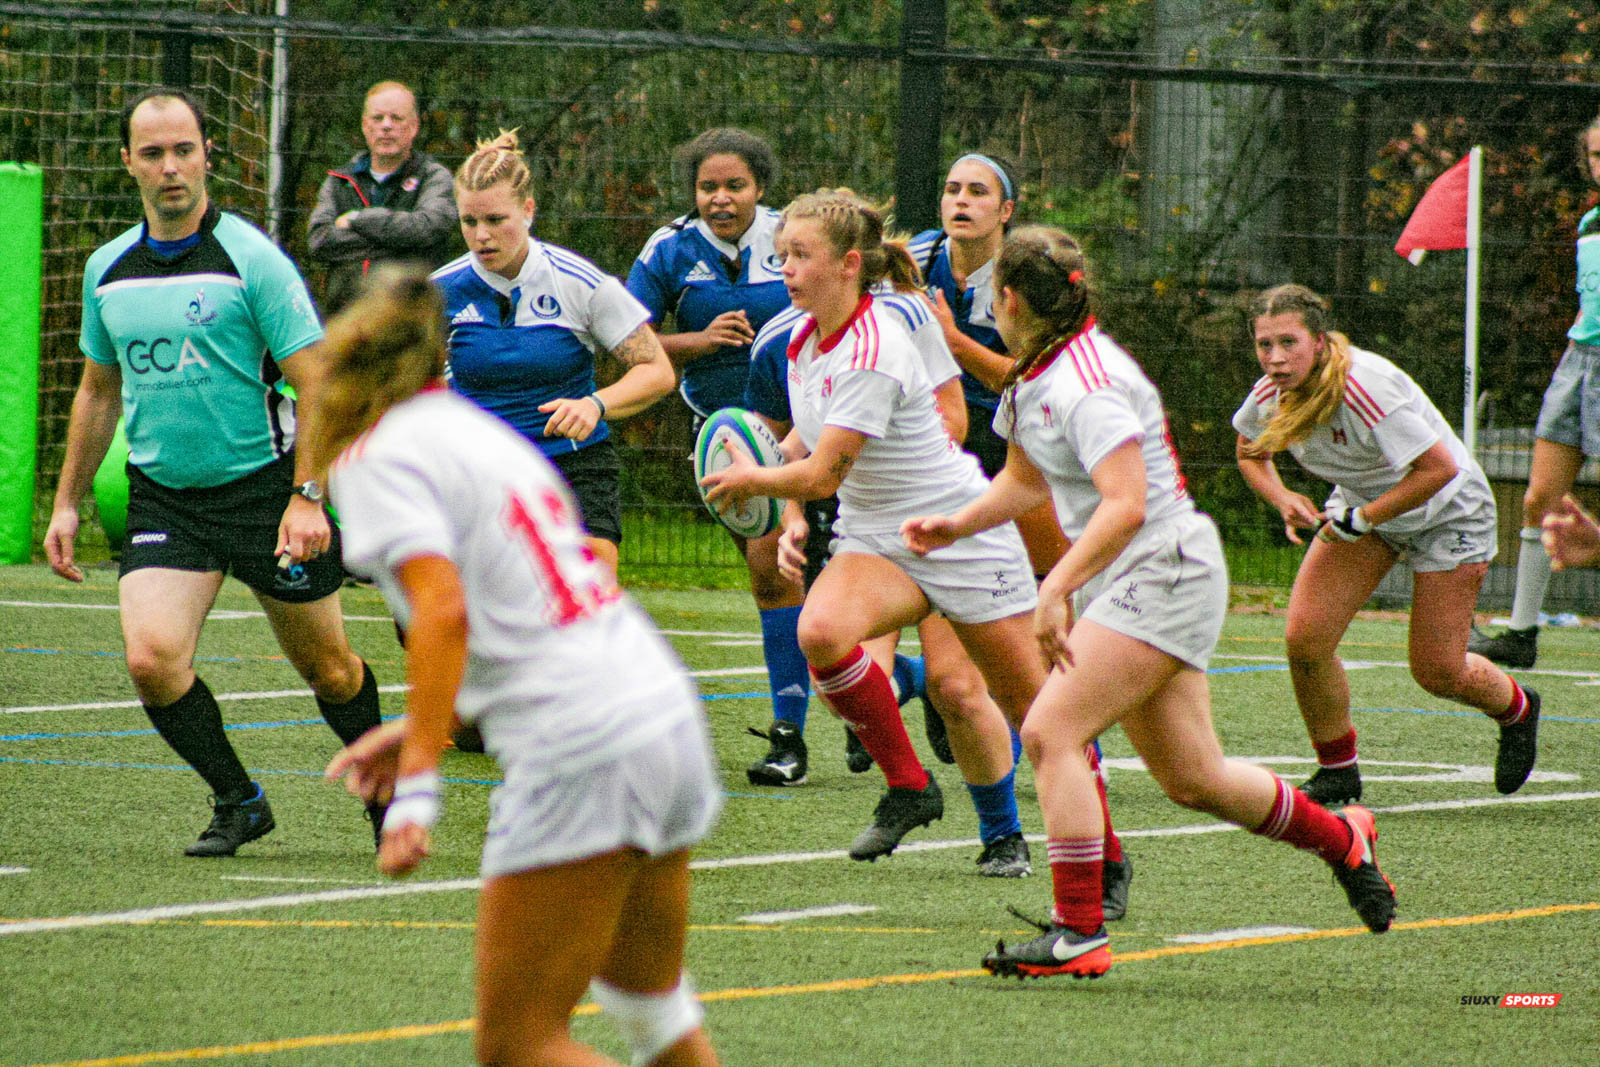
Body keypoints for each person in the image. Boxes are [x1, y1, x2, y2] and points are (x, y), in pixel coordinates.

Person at [902, 228, 1396, 981]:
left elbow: (1126, 503)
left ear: (1008, 299)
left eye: (989, 297)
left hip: (1162, 569)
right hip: (1142, 576)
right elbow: (1028, 482)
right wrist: (957, 521)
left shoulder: (1085, 381)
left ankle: (1078, 931)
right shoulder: (1038, 374)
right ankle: (1343, 837)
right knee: (1193, 776)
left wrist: (1058, 585)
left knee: (1049, 731)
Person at [315, 267, 719, 1067]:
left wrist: (419, 787)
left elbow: (445, 611)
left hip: (584, 741)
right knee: (651, 1010)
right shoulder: (477, 430)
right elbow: (516, 606)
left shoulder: (378, 454)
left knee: (518, 1045)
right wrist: (419, 722)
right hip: (657, 706)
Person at [43, 88, 384, 857]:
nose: (171, 168)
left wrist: (307, 497)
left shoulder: (251, 260)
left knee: (330, 670)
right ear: (127, 161)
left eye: (184, 150)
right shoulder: (107, 270)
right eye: (154, 152)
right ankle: (239, 799)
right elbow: (99, 392)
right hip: (166, 495)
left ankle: (385, 788)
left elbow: (319, 383)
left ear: (207, 157)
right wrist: (66, 503)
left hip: (267, 492)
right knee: (150, 658)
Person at [702, 189, 1045, 864]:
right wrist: (787, 508)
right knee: (822, 634)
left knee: (986, 697)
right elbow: (809, 446)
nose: (786, 270)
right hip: (875, 533)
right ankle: (910, 786)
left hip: (950, 526)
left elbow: (840, 461)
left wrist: (762, 481)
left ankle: (1018, 836)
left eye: (799, 255)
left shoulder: (892, 328)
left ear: (849, 262)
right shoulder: (798, 340)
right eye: (781, 256)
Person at [1235, 283, 1541, 805]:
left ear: (1320, 340)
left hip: (1449, 511)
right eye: (1265, 345)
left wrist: (1362, 518)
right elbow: (1249, 451)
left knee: (1438, 672)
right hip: (1367, 511)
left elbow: (1439, 469)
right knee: (1305, 638)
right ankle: (1338, 771)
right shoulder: (1273, 392)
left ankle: (1519, 709)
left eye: (1289, 342)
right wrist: (1282, 496)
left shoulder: (1364, 386)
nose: (1276, 358)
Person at [626, 129, 818, 782]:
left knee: (779, 572)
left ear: (760, 188)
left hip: (805, 430)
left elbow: (836, 308)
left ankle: (789, 737)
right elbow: (627, 337)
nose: (720, 198)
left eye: (735, 185)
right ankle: (895, 676)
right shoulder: (670, 248)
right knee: (789, 580)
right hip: (721, 437)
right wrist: (697, 341)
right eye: (708, 186)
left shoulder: (794, 234)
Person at [433, 130, 675, 580]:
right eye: (469, 221)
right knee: (435, 613)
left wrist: (594, 404)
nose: (481, 235)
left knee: (589, 592)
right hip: (477, 470)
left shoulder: (578, 281)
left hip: (570, 461)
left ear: (528, 211)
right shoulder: (437, 292)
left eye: (495, 219)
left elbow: (657, 371)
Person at [1469, 115, 1600, 668]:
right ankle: (1521, 634)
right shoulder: (1591, 222)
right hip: (1580, 362)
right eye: (1595, 154)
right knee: (1538, 499)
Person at [909, 152, 1069, 577]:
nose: (961, 201)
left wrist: (954, 343)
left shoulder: (1030, 272)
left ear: (1005, 211)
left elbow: (1035, 382)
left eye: (977, 192)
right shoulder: (913, 260)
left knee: (1050, 565)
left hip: (1009, 427)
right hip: (932, 426)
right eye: (952, 190)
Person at [306, 81, 458, 315]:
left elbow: (428, 227)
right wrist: (401, 244)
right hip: (347, 321)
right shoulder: (339, 181)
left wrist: (359, 219)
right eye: (378, 118)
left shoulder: (434, 177)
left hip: (412, 321)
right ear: (365, 126)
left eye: (396, 118)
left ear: (414, 126)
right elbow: (319, 240)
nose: (386, 126)